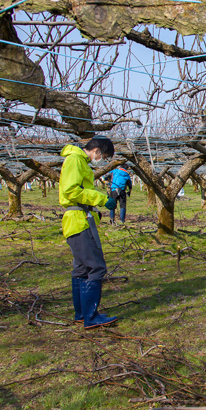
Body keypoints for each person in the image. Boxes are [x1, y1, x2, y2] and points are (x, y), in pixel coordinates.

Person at [59, 136, 119, 329]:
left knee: (82, 269)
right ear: (97, 151)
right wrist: (101, 199)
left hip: (79, 220)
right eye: (104, 155)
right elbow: (71, 191)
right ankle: (91, 317)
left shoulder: (79, 161)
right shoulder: (75, 160)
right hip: (78, 222)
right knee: (96, 267)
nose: (102, 159)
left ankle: (82, 313)